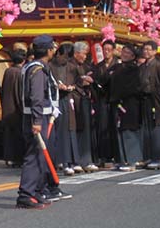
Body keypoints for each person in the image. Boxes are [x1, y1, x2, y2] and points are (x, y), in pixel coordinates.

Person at [16, 35, 59, 209]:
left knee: (40, 156)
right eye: (53, 48)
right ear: (48, 50)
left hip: (37, 116)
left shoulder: (31, 67)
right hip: (37, 118)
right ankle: (26, 194)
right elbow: (36, 97)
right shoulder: (37, 70)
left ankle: (36, 191)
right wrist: (37, 120)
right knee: (34, 157)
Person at [108, 44, 143, 171]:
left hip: (129, 103)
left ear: (133, 56)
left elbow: (133, 87)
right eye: (123, 51)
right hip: (117, 102)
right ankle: (121, 160)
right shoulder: (117, 67)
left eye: (128, 52)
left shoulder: (134, 69)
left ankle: (132, 160)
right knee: (118, 131)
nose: (124, 54)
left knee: (129, 131)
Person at [140, 41, 160, 169]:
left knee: (157, 130)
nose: (146, 52)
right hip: (145, 101)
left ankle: (157, 158)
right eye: (145, 49)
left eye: (149, 49)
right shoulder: (143, 66)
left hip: (156, 101)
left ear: (154, 51)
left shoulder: (159, 66)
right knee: (147, 129)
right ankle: (149, 156)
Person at [50, 43, 80, 175]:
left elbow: (78, 83)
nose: (65, 60)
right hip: (54, 101)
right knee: (57, 131)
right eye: (63, 57)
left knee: (69, 130)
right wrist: (56, 86)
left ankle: (69, 161)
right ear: (58, 54)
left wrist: (73, 87)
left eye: (68, 58)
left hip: (68, 100)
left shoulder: (72, 67)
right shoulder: (50, 67)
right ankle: (58, 160)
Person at [70, 42, 98, 172]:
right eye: (84, 53)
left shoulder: (85, 66)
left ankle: (86, 160)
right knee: (75, 130)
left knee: (86, 131)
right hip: (74, 100)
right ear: (76, 53)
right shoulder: (70, 66)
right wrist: (81, 81)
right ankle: (75, 160)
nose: (85, 56)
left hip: (85, 100)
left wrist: (90, 80)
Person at [93, 40, 118, 167]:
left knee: (114, 126)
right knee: (102, 127)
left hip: (115, 99)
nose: (106, 51)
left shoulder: (118, 65)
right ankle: (104, 155)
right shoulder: (98, 66)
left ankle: (116, 154)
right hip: (102, 100)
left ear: (113, 50)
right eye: (105, 49)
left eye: (109, 49)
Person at [1, 48, 27, 168]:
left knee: (8, 135)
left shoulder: (8, 71)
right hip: (16, 110)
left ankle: (9, 158)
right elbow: (20, 93)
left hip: (7, 107)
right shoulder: (20, 72)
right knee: (18, 135)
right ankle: (18, 159)